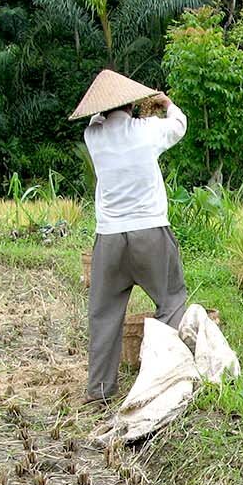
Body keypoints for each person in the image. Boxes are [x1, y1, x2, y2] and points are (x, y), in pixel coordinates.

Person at [69, 69, 190, 404]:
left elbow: (96, 120)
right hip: (150, 231)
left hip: (109, 238)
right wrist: (166, 103)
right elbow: (179, 124)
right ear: (134, 106)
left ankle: (100, 392)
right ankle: (162, 382)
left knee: (104, 313)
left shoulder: (93, 137)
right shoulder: (148, 130)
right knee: (171, 300)